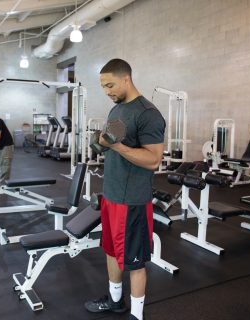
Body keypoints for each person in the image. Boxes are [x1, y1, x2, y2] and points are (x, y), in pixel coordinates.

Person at [84, 59, 165, 320]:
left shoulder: (147, 113)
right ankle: (115, 301)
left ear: (125, 79)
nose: (106, 91)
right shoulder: (117, 109)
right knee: (110, 250)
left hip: (132, 200)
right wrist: (102, 142)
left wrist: (117, 146)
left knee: (134, 261)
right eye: (103, 86)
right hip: (112, 195)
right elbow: (109, 142)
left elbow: (153, 160)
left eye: (110, 85)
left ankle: (137, 315)